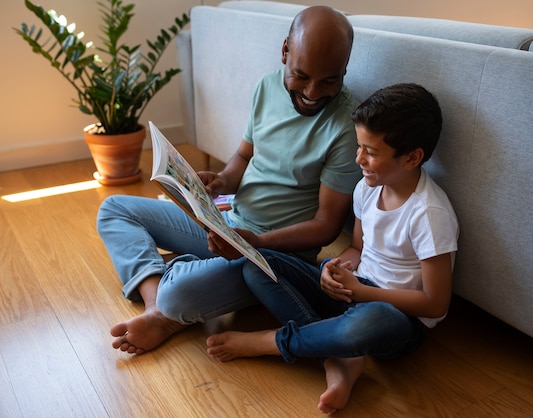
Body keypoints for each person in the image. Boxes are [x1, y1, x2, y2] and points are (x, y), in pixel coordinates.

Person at [97, 6, 361, 355]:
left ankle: (169, 302)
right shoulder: (267, 87)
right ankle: (157, 307)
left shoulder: (346, 125)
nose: (313, 92)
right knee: (114, 209)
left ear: (345, 69)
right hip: (229, 223)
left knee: (179, 294)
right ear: (285, 52)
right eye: (302, 75)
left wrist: (257, 241)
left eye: (330, 80)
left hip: (272, 255)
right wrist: (219, 182)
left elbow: (326, 226)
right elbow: (244, 157)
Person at [206, 83, 459, 414]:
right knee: (259, 263)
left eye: (371, 152)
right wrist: (336, 269)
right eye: (359, 146)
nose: (358, 159)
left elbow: (435, 304)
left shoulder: (429, 214)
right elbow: (357, 248)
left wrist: (362, 293)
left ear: (412, 157)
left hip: (394, 315)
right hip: (353, 293)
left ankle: (276, 342)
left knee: (367, 324)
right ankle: (339, 357)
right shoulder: (368, 188)